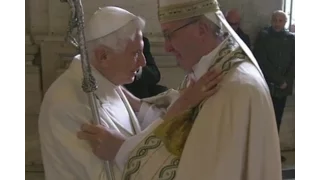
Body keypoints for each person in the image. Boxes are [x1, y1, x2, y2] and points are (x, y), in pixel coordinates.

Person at [78, 0, 282, 180]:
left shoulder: (231, 89)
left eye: (169, 35)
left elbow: (194, 172)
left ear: (201, 29)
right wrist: (135, 103)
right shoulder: (212, 70)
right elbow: (186, 123)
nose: (166, 47)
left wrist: (122, 151)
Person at [38, 6, 221, 180]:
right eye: (135, 53)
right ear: (103, 56)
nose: (142, 62)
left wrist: (124, 147)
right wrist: (124, 148)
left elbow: (134, 132)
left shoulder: (107, 82)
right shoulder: (66, 103)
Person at [253, 10, 295, 162]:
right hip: (266, 85)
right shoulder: (264, 37)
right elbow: (261, 60)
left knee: (277, 119)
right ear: (271, 21)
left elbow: (293, 63)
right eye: (275, 20)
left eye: (281, 21)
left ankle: (272, 153)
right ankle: (260, 152)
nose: (277, 23)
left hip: (283, 89)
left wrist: (286, 82)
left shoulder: (291, 39)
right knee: (263, 119)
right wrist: (278, 80)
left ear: (285, 22)